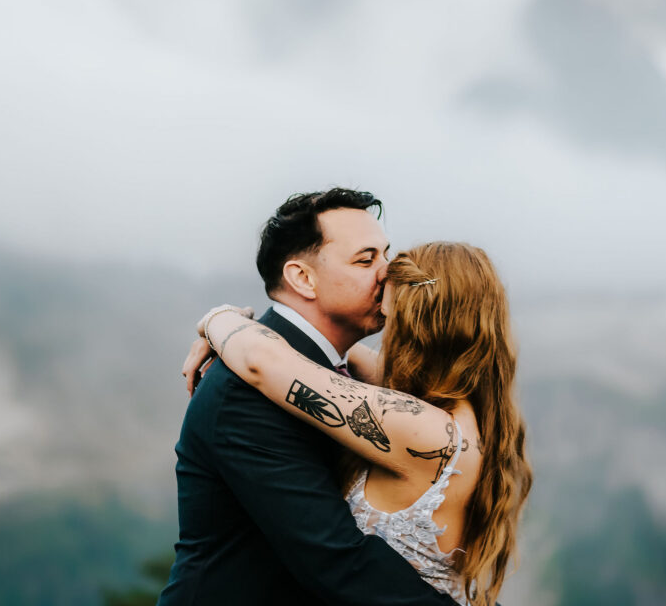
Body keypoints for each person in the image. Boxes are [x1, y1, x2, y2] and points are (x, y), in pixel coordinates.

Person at [187, 235, 532, 603]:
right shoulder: (460, 410)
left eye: (390, 316)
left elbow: (262, 363)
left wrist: (217, 320)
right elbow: (343, 354)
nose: (385, 330)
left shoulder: (424, 429)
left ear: (417, 324)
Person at [157, 188, 458, 606]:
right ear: (302, 278)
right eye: (366, 260)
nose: (390, 273)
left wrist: (219, 320)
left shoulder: (334, 368)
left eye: (386, 255)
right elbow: (338, 563)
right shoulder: (245, 393)